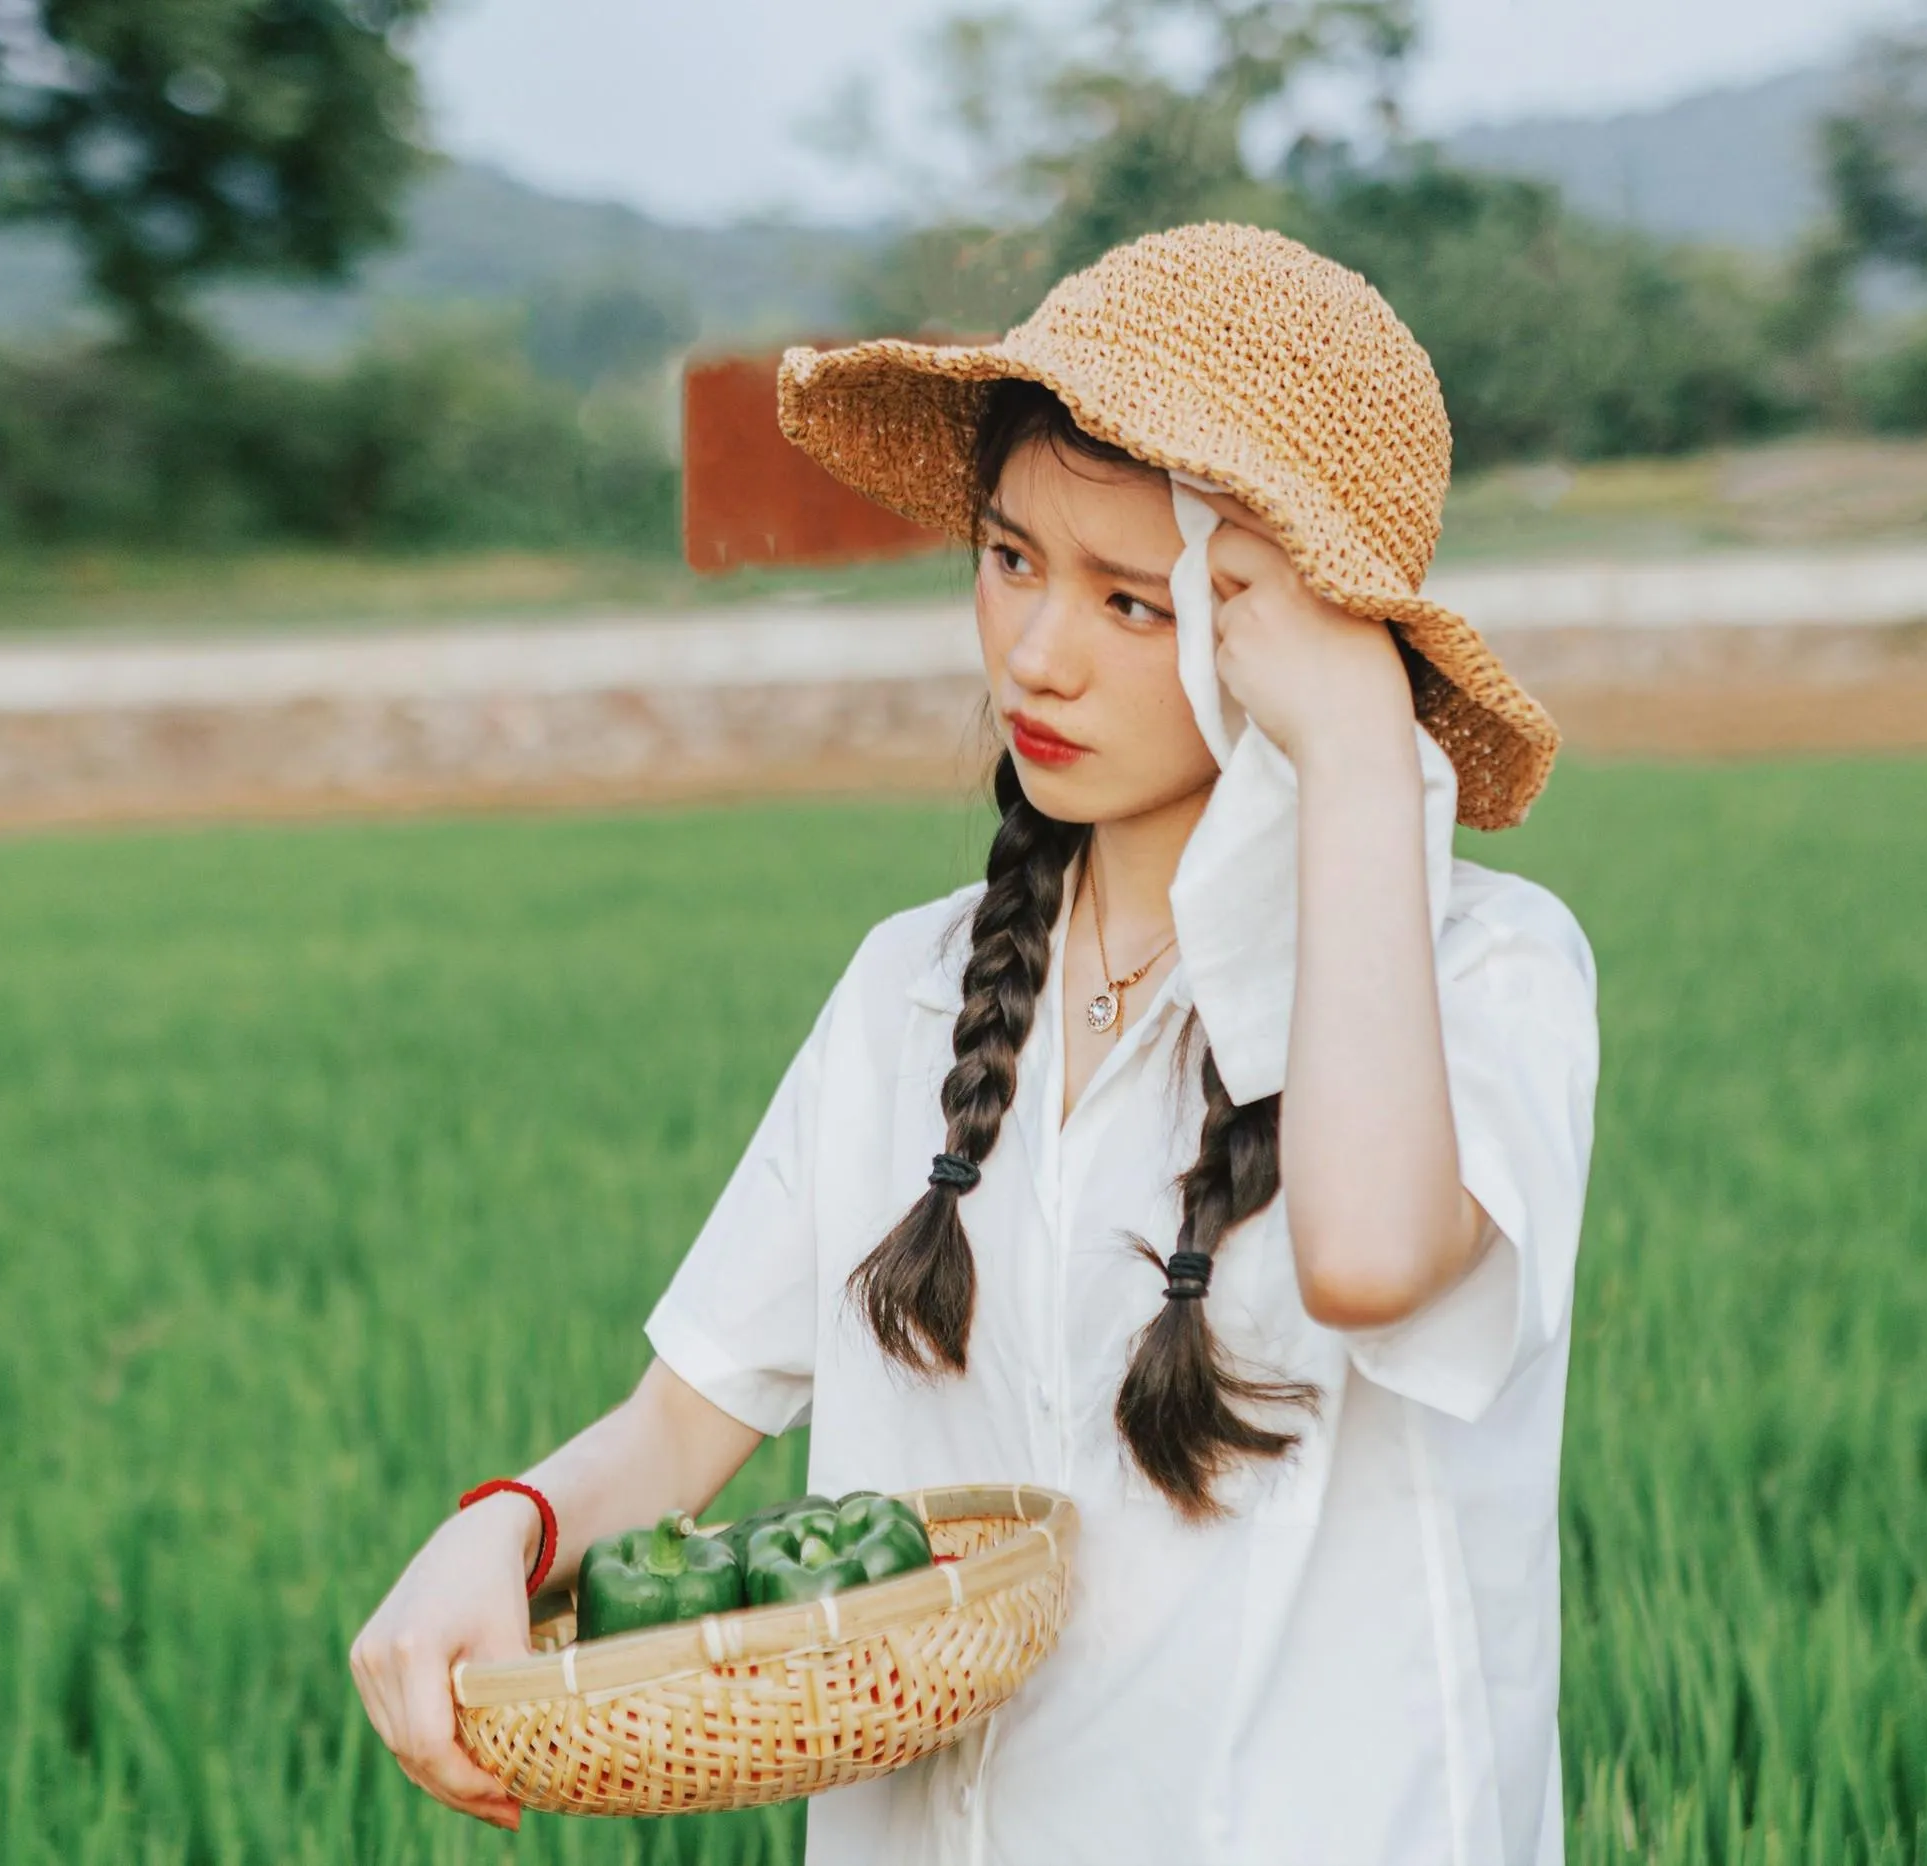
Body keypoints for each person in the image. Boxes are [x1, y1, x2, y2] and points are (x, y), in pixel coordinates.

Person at [350, 222, 1601, 1865]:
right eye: (1009, 559)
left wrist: (1365, 737)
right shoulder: (911, 988)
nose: (1035, 650)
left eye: (1134, 602)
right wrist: (497, 1537)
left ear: (1279, 625)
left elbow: (1370, 1259)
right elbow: (684, 1423)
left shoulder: (1487, 968)